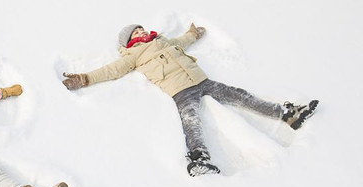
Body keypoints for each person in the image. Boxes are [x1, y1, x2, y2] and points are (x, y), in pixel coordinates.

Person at [62, 24, 319, 176]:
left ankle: (286, 114)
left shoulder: (163, 41)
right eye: (135, 31)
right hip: (180, 90)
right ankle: (199, 158)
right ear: (129, 41)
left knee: (240, 95)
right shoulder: (132, 55)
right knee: (191, 121)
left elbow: (182, 40)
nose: (141, 30)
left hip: (202, 80)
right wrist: (84, 78)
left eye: (140, 27)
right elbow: (111, 70)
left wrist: (193, 33)